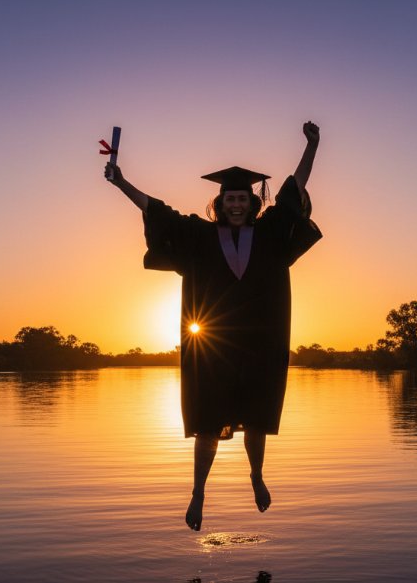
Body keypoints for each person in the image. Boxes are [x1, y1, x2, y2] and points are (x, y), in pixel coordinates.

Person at [105, 121, 322, 531]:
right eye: (230, 198)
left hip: (259, 345)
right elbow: (157, 211)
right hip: (213, 349)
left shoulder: (272, 233)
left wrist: (312, 145)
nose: (237, 204)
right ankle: (198, 492)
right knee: (207, 421)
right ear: (220, 202)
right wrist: (121, 183)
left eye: (243, 198)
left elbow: (296, 188)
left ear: (252, 203)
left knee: (257, 419)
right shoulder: (200, 238)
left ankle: (256, 476)